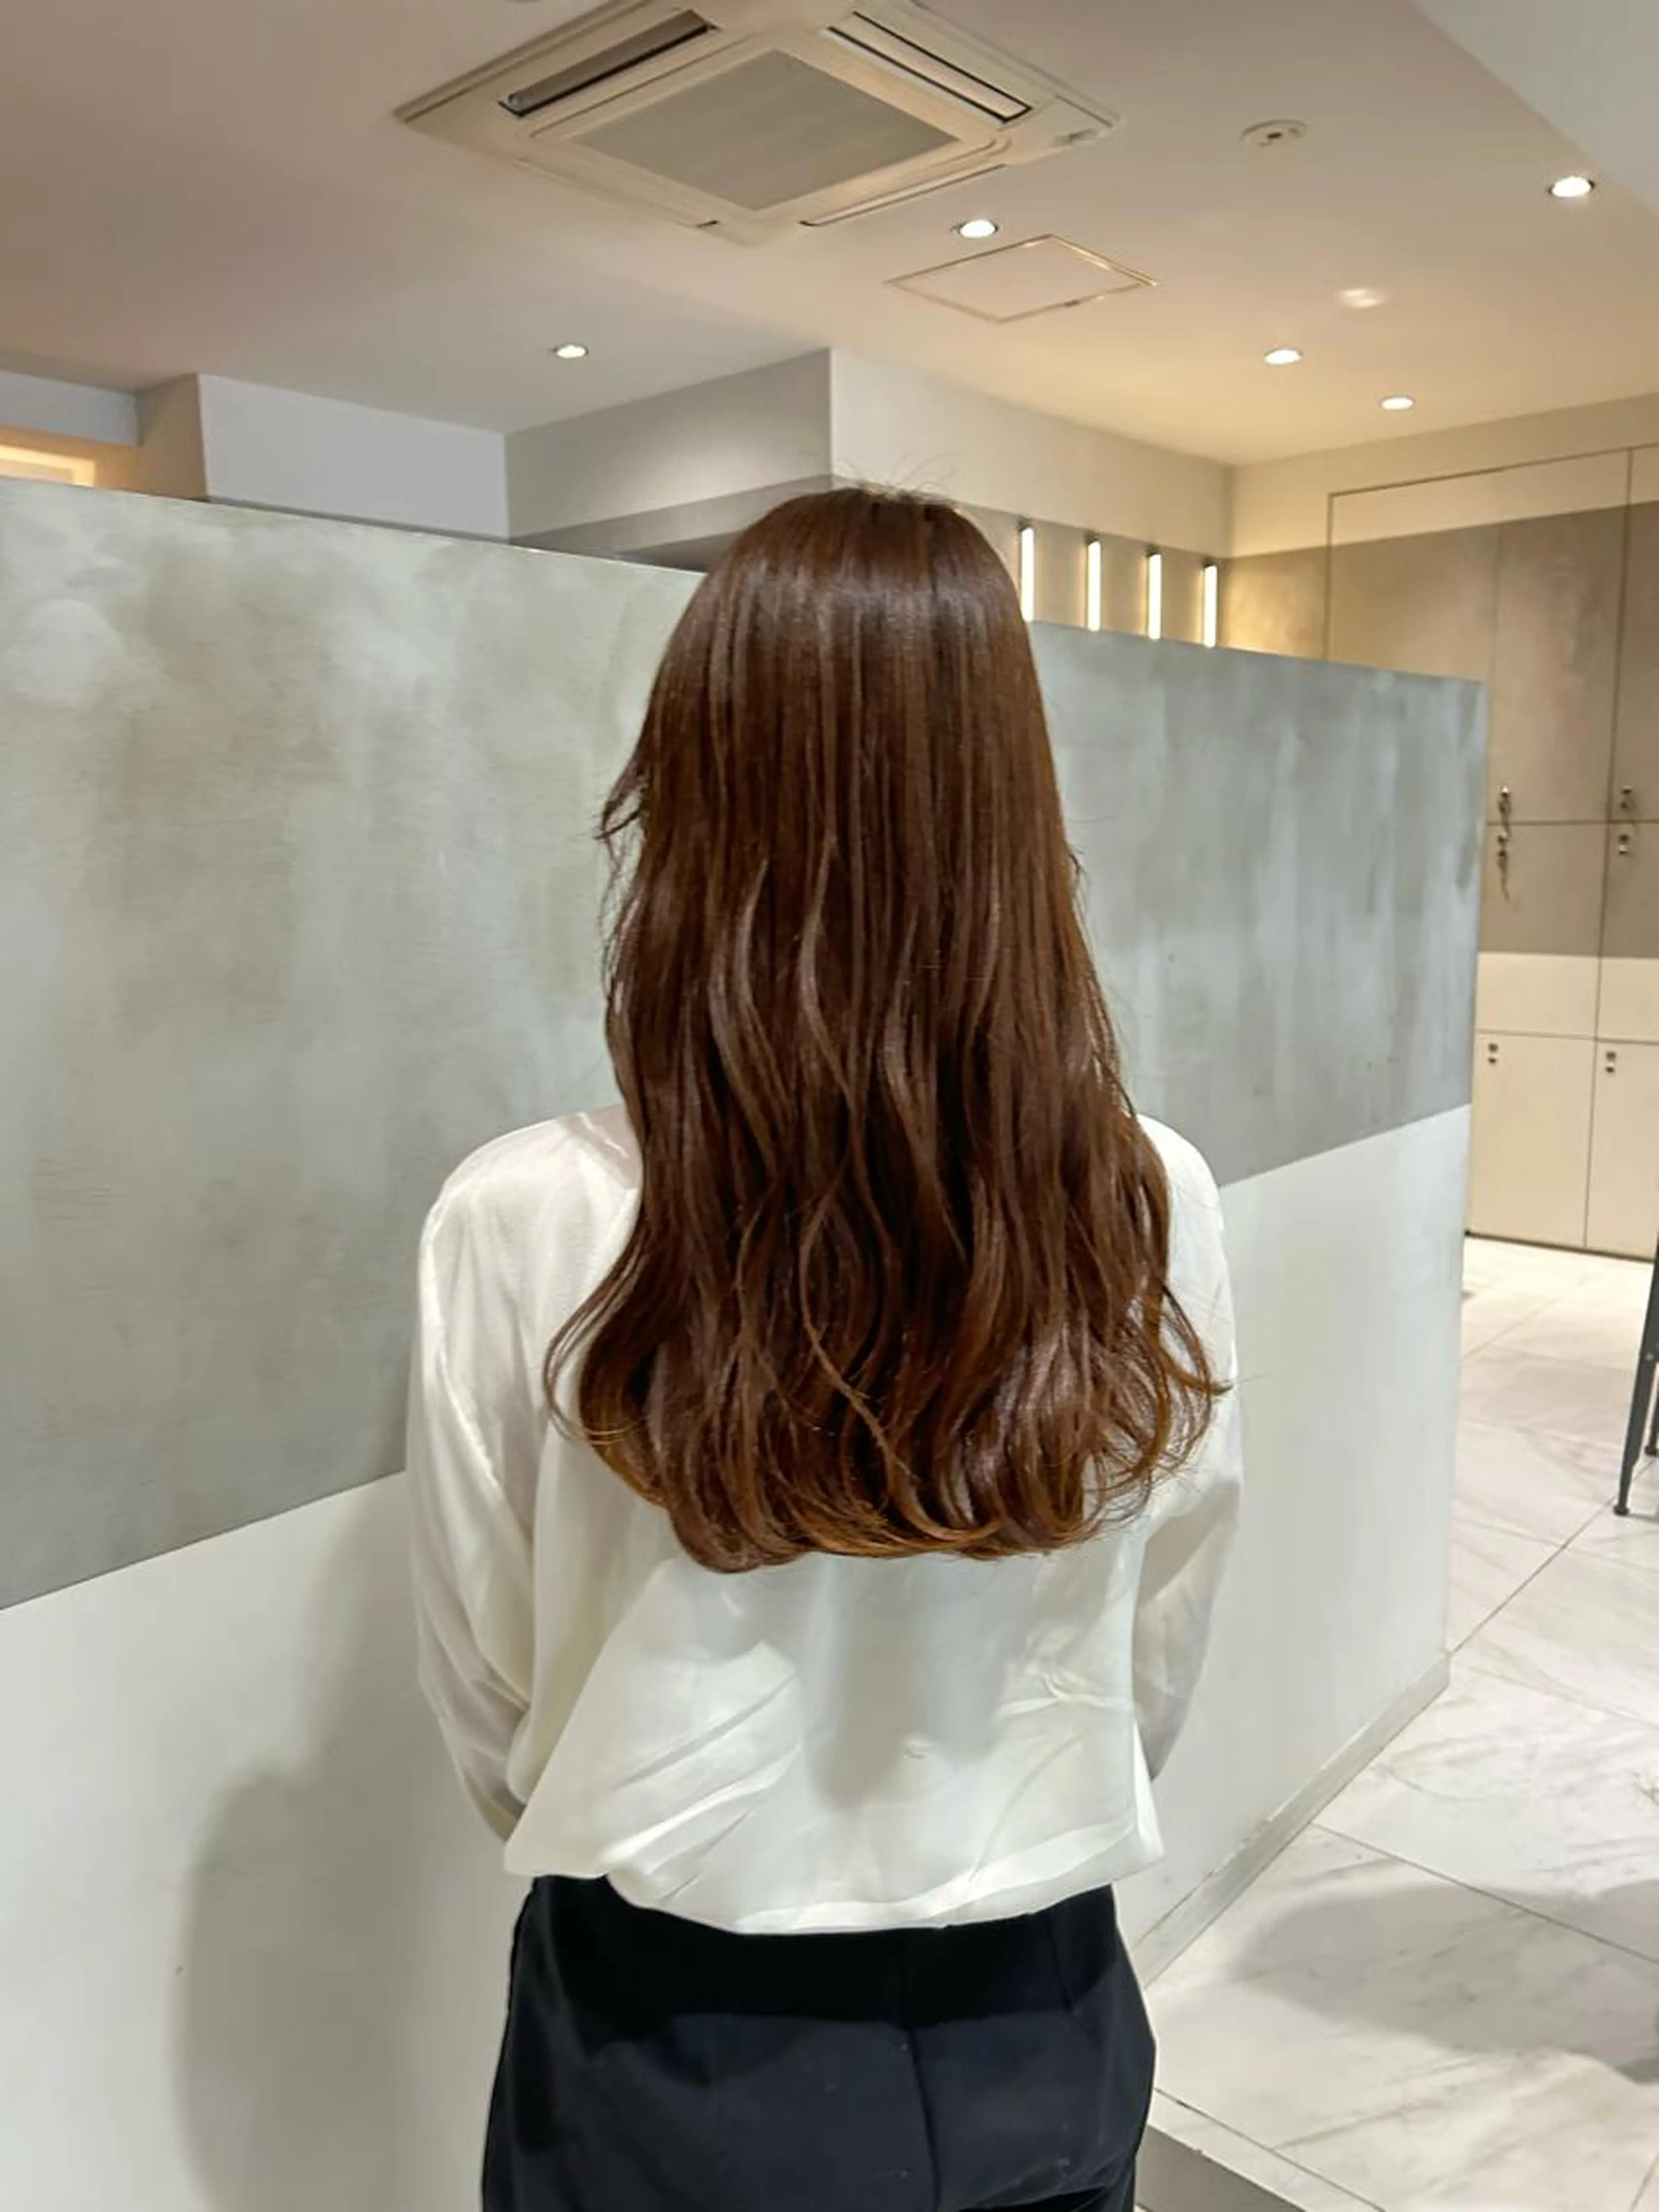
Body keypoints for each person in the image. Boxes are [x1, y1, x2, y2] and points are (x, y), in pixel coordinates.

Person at [406, 487, 1241, 2212]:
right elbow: (1160, 1640)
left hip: (662, 2033)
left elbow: (494, 1685)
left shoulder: (524, 1216)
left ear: (692, 795)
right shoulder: (1147, 1196)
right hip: (1044, 2010)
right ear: (1015, 808)